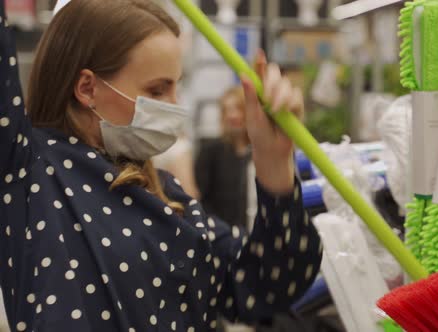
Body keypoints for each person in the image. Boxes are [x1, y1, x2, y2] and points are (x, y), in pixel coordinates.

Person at [0, 1, 321, 332]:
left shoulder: (167, 195)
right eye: (157, 89)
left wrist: (274, 163)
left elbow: (267, 284)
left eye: (175, 86)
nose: (174, 106)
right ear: (87, 88)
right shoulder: (29, 169)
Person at [196, 87, 253, 229]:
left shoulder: (261, 151)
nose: (232, 115)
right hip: (221, 235)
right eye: (227, 110)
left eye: (238, 109)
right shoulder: (210, 152)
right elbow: (202, 200)